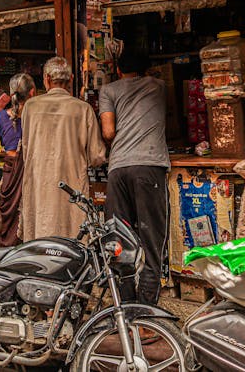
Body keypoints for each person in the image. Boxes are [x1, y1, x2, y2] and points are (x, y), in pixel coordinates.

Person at [99, 49, 170, 305]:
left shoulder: (108, 91)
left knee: (119, 239)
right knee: (153, 240)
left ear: (118, 70)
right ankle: (147, 308)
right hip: (149, 166)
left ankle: (126, 304)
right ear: (146, 69)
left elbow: (108, 132)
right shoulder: (159, 86)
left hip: (118, 168)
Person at [21, 57, 106, 241]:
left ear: (46, 79)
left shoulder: (30, 107)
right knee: (72, 238)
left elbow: (26, 149)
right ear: (71, 80)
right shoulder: (83, 109)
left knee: (40, 237)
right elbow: (97, 157)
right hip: (70, 186)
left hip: (39, 183)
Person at [0, 73, 35, 246]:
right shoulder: (34, 116)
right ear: (32, 92)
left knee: (9, 218)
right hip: (26, 169)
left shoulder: (2, 116)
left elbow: (4, 142)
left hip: (9, 171)